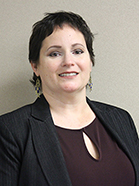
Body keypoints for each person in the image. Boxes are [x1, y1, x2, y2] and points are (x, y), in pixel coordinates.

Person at [0, 11, 138, 186]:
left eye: (78, 51)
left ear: (90, 61)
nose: (68, 61)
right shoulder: (10, 130)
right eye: (54, 54)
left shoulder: (122, 119)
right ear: (35, 66)